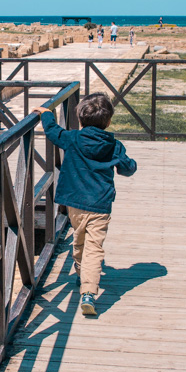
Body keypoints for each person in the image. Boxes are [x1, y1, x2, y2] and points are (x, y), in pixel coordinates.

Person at [32, 93, 136, 317]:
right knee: (94, 247)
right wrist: (130, 163)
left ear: (80, 119)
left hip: (75, 202)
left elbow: (53, 132)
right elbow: (127, 169)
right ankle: (88, 292)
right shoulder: (114, 145)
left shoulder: (73, 138)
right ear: (108, 122)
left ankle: (82, 274)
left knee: (79, 239)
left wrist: (47, 114)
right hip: (100, 204)